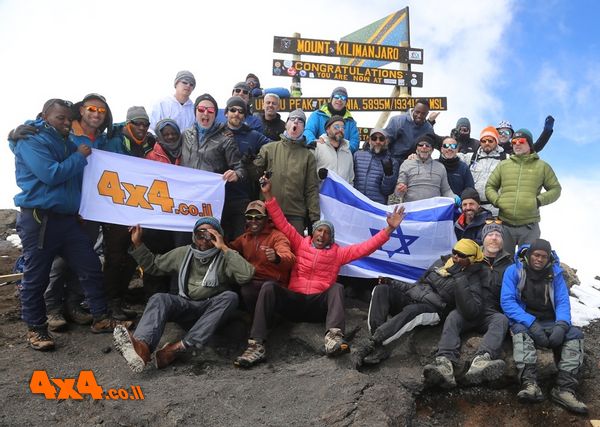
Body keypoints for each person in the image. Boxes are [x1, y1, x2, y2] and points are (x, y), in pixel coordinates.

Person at [234, 176, 405, 368]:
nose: (322, 235)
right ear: (312, 232)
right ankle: (256, 345)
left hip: (318, 305)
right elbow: (281, 222)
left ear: (331, 238)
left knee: (337, 288)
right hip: (295, 301)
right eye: (319, 231)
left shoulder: (339, 253)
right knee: (269, 287)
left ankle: (333, 338)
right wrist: (268, 194)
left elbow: (367, 247)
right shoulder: (299, 243)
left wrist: (389, 229)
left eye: (326, 233)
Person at [10, 98, 133, 350]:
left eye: (68, 118)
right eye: (60, 118)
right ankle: (36, 328)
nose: (66, 122)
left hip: (68, 219)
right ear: (45, 116)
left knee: (89, 265)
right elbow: (51, 174)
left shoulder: (65, 140)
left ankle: (100, 317)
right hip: (40, 218)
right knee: (37, 275)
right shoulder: (31, 140)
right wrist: (79, 156)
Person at [113, 217, 255, 372]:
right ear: (194, 235)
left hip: (211, 311)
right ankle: (142, 348)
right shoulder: (184, 252)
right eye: (200, 233)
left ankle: (178, 348)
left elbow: (246, 275)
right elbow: (154, 265)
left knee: (230, 297)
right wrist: (137, 243)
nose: (204, 238)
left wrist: (224, 248)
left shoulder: (225, 257)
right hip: (186, 305)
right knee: (159, 298)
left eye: (211, 234)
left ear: (218, 236)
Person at [354, 239, 485, 367]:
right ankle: (377, 345)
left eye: (461, 255)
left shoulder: (472, 278)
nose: (455, 256)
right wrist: (392, 282)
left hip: (434, 309)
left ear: (471, 259)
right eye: (454, 252)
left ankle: (372, 342)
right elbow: (418, 285)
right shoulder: (442, 262)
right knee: (382, 289)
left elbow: (471, 311)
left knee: (413, 311)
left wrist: (459, 277)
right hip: (414, 297)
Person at [501, 239, 587, 414]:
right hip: (525, 319)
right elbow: (507, 301)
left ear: (549, 258)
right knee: (520, 332)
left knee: (575, 335)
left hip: (550, 320)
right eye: (536, 255)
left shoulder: (555, 273)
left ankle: (564, 390)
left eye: (544, 256)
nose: (539, 259)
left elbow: (563, 302)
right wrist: (531, 323)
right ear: (530, 254)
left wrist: (561, 325)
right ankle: (530, 384)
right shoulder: (514, 270)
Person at [422, 223, 513, 388]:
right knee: (453, 318)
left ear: (503, 241)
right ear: (483, 239)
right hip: (466, 306)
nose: (494, 238)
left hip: (491, 312)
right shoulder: (468, 257)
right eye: (490, 235)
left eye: (498, 235)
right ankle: (445, 364)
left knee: (501, 321)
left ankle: (482, 361)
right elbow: (445, 269)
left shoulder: (510, 265)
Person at [103, 106, 157, 319]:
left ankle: (120, 298)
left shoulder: (148, 145)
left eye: (145, 124)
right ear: (128, 123)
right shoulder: (113, 143)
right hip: (115, 209)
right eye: (137, 123)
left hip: (138, 208)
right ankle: (110, 302)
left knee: (133, 255)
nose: (142, 128)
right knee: (115, 256)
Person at [180, 93, 245, 245]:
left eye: (210, 111)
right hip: (186, 202)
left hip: (209, 204)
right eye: (202, 109)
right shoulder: (185, 135)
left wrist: (236, 174)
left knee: (207, 244)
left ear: (215, 114)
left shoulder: (225, 138)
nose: (205, 114)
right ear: (195, 111)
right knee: (183, 245)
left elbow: (240, 168)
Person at [485, 129, 561, 255]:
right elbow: (490, 186)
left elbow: (556, 189)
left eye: (521, 141)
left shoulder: (543, 166)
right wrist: (497, 201)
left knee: (527, 265)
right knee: (502, 263)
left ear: (530, 144)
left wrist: (538, 201)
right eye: (514, 142)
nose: (517, 144)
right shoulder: (503, 165)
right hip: (505, 225)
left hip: (529, 227)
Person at [251, 109, 320, 234]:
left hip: (295, 215)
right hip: (269, 213)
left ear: (303, 128)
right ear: (286, 124)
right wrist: (249, 164)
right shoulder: (269, 149)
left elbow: (311, 189)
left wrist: (314, 219)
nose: (296, 123)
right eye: (292, 119)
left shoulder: (308, 156)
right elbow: (253, 176)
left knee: (292, 252)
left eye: (300, 122)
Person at [229, 200, 295, 312]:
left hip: (274, 283)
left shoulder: (277, 236)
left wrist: (277, 258)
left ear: (266, 218)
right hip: (253, 280)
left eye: (258, 217)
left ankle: (263, 323)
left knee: (251, 290)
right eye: (249, 217)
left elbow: (290, 258)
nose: (253, 221)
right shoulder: (245, 237)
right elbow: (230, 248)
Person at [221, 96, 271, 240]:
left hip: (241, 197)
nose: (236, 113)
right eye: (233, 110)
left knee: (240, 241)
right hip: (218, 196)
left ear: (245, 116)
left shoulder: (253, 135)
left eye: (241, 111)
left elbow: (276, 146)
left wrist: (303, 141)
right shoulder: (216, 132)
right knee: (219, 240)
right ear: (226, 113)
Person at [394, 133, 455, 203]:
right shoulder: (406, 164)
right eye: (421, 145)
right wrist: (399, 190)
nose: (424, 147)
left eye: (427, 145)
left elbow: (446, 190)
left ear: (432, 150)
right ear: (416, 148)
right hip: (412, 210)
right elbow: (397, 194)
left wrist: (454, 197)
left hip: (433, 211)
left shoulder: (441, 167)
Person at [461, 126, 506, 216]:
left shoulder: (506, 159)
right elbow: (450, 155)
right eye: (483, 141)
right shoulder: (471, 158)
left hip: (496, 210)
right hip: (474, 210)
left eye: (490, 140)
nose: (487, 143)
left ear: (496, 142)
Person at [303, 87, 360, 153]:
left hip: (342, 157)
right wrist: (313, 142)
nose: (339, 100)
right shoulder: (318, 115)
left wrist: (345, 149)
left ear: (346, 102)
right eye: (337, 96)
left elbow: (355, 141)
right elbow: (308, 131)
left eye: (343, 98)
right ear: (331, 99)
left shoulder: (350, 121)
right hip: (320, 154)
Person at [353, 128, 399, 205]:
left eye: (381, 139)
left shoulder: (392, 162)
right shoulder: (357, 155)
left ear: (386, 141)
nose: (377, 142)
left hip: (376, 206)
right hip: (356, 203)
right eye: (374, 138)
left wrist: (388, 175)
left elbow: (387, 191)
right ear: (369, 140)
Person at [384, 98, 437, 165]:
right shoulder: (397, 121)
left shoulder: (429, 128)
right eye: (417, 112)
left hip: (415, 163)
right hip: (393, 160)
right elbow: (385, 142)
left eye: (423, 114)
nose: (419, 115)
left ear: (427, 114)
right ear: (413, 109)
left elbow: (429, 148)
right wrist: (387, 160)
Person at [314, 115, 354, 184]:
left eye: (343, 127)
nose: (340, 129)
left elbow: (350, 179)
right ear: (328, 129)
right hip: (323, 194)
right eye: (336, 127)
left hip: (341, 194)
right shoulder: (317, 147)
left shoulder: (347, 151)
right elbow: (307, 174)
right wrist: (319, 175)